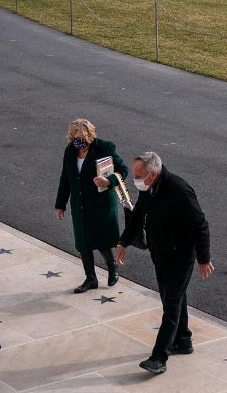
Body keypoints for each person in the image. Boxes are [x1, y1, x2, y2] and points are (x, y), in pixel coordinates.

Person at [117, 152, 212, 374]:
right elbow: (138, 217)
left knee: (170, 306)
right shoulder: (148, 190)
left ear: (153, 174)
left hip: (180, 257)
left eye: (138, 176)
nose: (135, 180)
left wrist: (203, 259)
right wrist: (123, 243)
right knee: (173, 299)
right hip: (160, 256)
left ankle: (159, 357)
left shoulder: (179, 190)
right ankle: (183, 340)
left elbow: (201, 226)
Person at [55, 118, 128, 293]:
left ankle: (112, 269)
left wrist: (108, 180)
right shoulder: (70, 152)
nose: (78, 142)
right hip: (80, 205)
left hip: (100, 204)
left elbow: (123, 170)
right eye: (74, 138)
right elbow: (66, 179)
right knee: (83, 242)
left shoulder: (104, 148)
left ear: (89, 135)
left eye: (81, 137)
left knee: (101, 239)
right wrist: (60, 205)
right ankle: (90, 278)